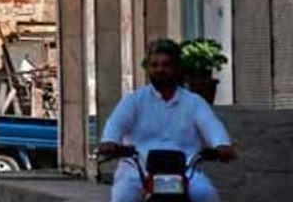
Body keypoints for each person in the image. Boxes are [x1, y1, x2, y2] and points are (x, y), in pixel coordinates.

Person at [98, 39, 235, 202]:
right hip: (138, 174)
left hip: (184, 174)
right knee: (123, 196)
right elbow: (115, 124)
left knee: (206, 194)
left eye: (165, 65)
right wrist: (109, 142)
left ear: (177, 68)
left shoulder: (193, 102)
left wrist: (222, 145)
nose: (159, 69)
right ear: (148, 68)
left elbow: (211, 124)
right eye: (154, 65)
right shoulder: (134, 100)